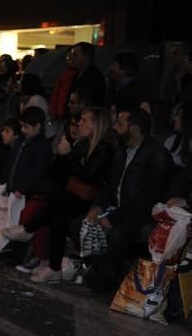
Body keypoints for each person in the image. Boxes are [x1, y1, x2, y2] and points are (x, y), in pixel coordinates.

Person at [3, 108, 115, 282]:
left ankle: (29, 229)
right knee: (57, 217)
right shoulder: (84, 145)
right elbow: (61, 172)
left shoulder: (105, 148)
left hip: (94, 202)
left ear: (96, 125)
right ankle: (54, 268)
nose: (79, 124)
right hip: (75, 196)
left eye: (85, 120)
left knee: (57, 203)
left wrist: (68, 155)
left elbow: (89, 175)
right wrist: (65, 155)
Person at [68, 109, 173, 290]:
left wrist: (114, 217)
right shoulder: (122, 152)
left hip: (141, 213)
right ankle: (106, 272)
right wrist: (98, 207)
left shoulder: (157, 155)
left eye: (120, 124)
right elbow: (110, 186)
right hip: (116, 208)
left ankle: (106, 275)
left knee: (118, 234)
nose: (115, 127)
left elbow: (148, 197)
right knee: (78, 225)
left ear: (134, 129)